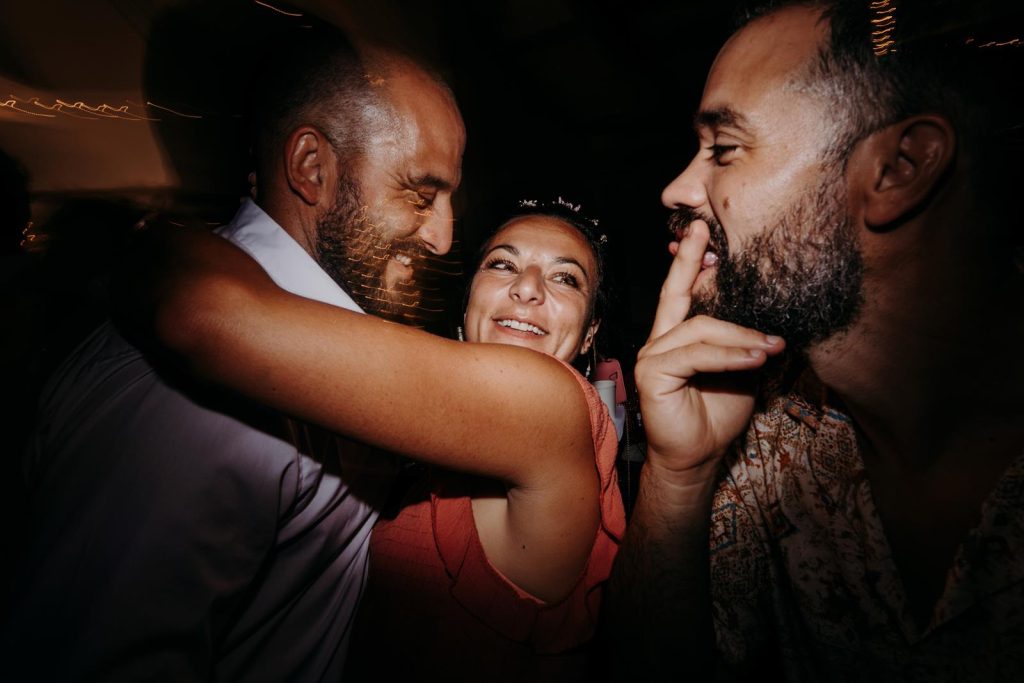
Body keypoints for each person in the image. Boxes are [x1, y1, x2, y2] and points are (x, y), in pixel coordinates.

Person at [1, 25, 465, 682]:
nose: (444, 237)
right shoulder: (196, 403)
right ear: (312, 168)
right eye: (420, 194)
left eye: (450, 198)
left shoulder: (308, 342)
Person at [609, 0, 1024, 680]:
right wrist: (677, 475)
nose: (676, 188)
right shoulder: (769, 421)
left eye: (724, 149)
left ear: (897, 170)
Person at [116, 198, 625, 681]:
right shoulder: (430, 434)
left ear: (588, 333)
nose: (528, 288)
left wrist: (154, 230)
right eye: (502, 265)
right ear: (468, 297)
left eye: (564, 278)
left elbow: (207, 316)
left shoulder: (552, 408)